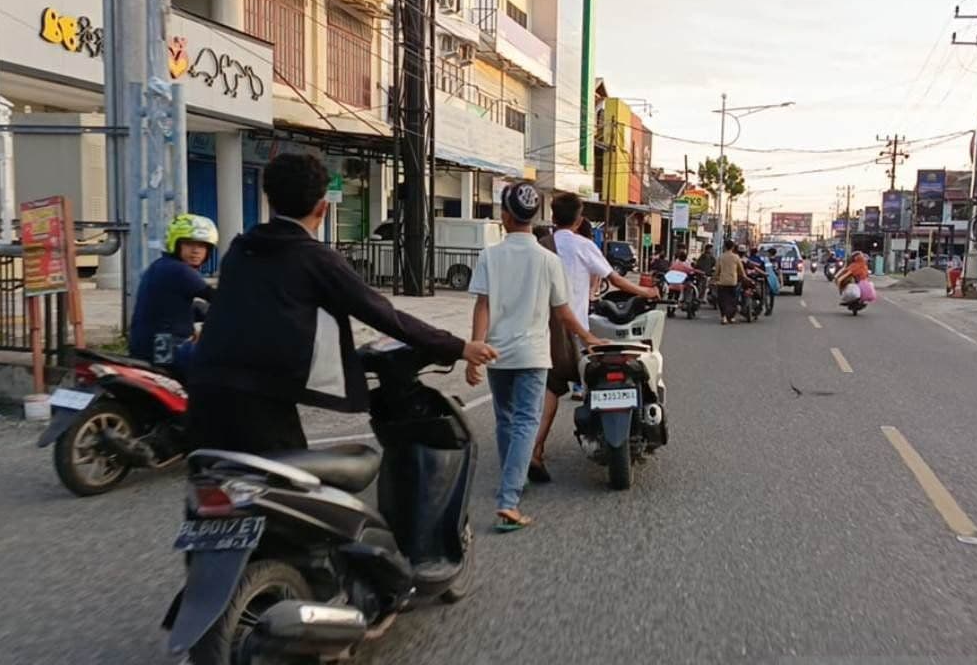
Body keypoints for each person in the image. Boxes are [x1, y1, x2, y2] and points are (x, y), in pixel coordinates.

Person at [188, 153, 497, 455]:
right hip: (260, 398)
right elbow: (380, 312)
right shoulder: (314, 257)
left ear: (269, 200)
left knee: (219, 487)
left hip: (203, 388)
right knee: (295, 491)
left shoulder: (240, 250)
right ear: (322, 208)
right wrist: (458, 347)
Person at [467, 183, 603, 531]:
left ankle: (514, 481)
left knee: (506, 419)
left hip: (497, 353)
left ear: (505, 217)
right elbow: (564, 313)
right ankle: (509, 500)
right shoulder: (548, 260)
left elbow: (482, 306)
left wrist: (475, 352)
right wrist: (588, 338)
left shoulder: (490, 256)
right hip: (533, 354)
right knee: (527, 421)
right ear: (532, 217)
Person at [528, 192, 657, 484]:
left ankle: (535, 449)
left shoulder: (541, 246)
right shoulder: (582, 245)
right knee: (589, 374)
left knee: (551, 389)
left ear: (553, 214)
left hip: (542, 329)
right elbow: (615, 278)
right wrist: (646, 292)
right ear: (579, 218)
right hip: (572, 331)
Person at [128, 213, 218, 380]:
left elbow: (194, 308)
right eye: (190, 244)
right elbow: (220, 298)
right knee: (224, 365)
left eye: (202, 245)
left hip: (149, 346)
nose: (196, 250)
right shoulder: (180, 271)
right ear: (175, 244)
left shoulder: (161, 266)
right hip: (165, 349)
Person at [713, 239, 747, 325]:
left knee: (722, 300)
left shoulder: (721, 257)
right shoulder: (736, 257)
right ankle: (731, 317)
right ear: (732, 247)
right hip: (733, 281)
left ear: (725, 247)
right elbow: (741, 270)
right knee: (733, 300)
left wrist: (714, 279)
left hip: (722, 281)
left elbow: (717, 270)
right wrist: (744, 277)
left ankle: (724, 317)